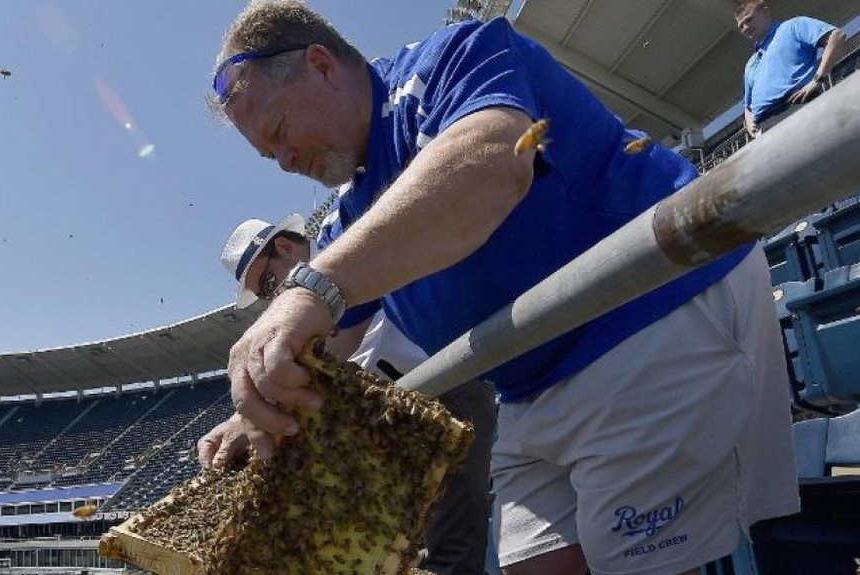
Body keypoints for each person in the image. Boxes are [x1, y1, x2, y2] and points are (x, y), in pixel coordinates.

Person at [208, 2, 800, 574]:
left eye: (280, 131)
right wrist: (258, 404)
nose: (284, 160)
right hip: (526, 386)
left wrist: (311, 287)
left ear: (320, 63)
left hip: (645, 316)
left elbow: (491, 161)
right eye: (269, 155)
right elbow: (328, 341)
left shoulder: (458, 55)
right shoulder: (350, 209)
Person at [202, 212, 497, 575]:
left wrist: (252, 406)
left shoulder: (346, 249)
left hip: (444, 389)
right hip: (390, 416)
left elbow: (333, 344)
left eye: (267, 281)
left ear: (283, 246)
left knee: (453, 549)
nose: (272, 295)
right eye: (265, 293)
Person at [736, 0, 845, 137]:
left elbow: (836, 36)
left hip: (796, 106)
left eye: (749, 19)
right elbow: (748, 105)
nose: (745, 27)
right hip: (765, 127)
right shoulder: (750, 64)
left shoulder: (792, 26)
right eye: (741, 26)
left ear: (765, 12)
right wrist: (752, 128)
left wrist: (818, 79)